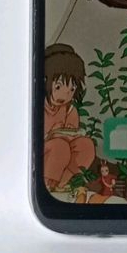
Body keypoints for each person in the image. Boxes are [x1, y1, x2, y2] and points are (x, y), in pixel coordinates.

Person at [43, 43, 97, 192]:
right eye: (58, 87)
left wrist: (69, 134)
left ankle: (60, 182)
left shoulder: (69, 110)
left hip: (62, 155)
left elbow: (73, 137)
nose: (65, 95)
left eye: (71, 89)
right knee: (59, 146)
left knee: (86, 145)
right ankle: (46, 183)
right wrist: (51, 135)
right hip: (41, 157)